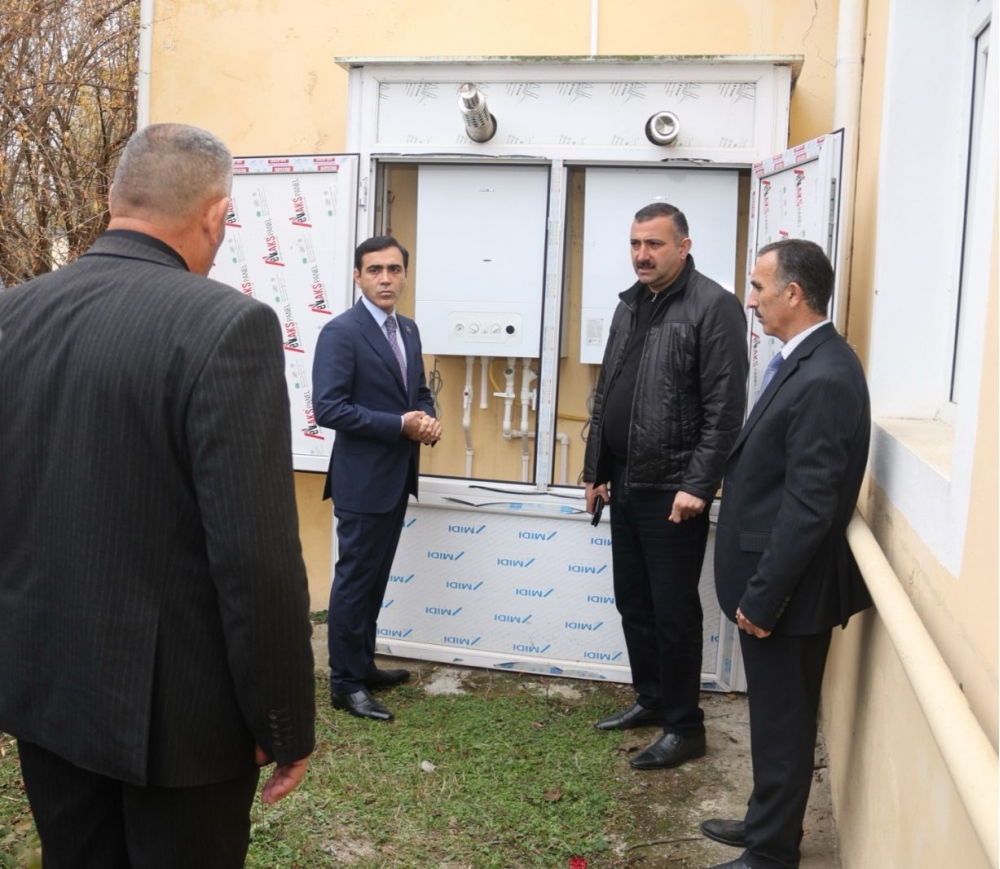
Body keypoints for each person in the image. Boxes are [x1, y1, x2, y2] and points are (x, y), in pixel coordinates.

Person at [0, 124, 316, 868]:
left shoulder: (13, 314)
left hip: (46, 689)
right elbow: (255, 558)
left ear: (117, 201)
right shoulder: (227, 326)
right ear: (215, 215)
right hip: (177, 722)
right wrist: (283, 720)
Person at [700, 239, 872, 869]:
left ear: (793, 294)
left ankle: (772, 853)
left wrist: (765, 596)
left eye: (758, 287)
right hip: (775, 584)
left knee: (785, 723)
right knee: (774, 718)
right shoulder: (805, 361)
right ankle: (763, 821)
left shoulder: (825, 375)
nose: (751, 300)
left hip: (788, 594)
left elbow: (809, 505)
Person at [583, 202, 749, 770]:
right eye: (635, 244)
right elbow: (607, 394)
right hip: (626, 482)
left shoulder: (714, 306)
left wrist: (699, 484)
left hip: (674, 491)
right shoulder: (630, 304)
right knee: (634, 601)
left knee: (674, 612)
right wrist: (596, 471)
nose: (642, 255)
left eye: (653, 244)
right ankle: (651, 698)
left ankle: (684, 727)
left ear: (683, 246)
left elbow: (725, 410)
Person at [313, 235, 440, 722]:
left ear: (404, 275)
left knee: (374, 578)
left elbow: (418, 391)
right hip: (362, 481)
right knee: (354, 581)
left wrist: (426, 419)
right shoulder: (341, 332)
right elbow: (329, 408)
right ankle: (344, 684)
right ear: (358, 276)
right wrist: (398, 425)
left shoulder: (407, 329)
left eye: (394, 269)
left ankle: (362, 664)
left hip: (397, 476)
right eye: (374, 270)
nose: (385, 278)